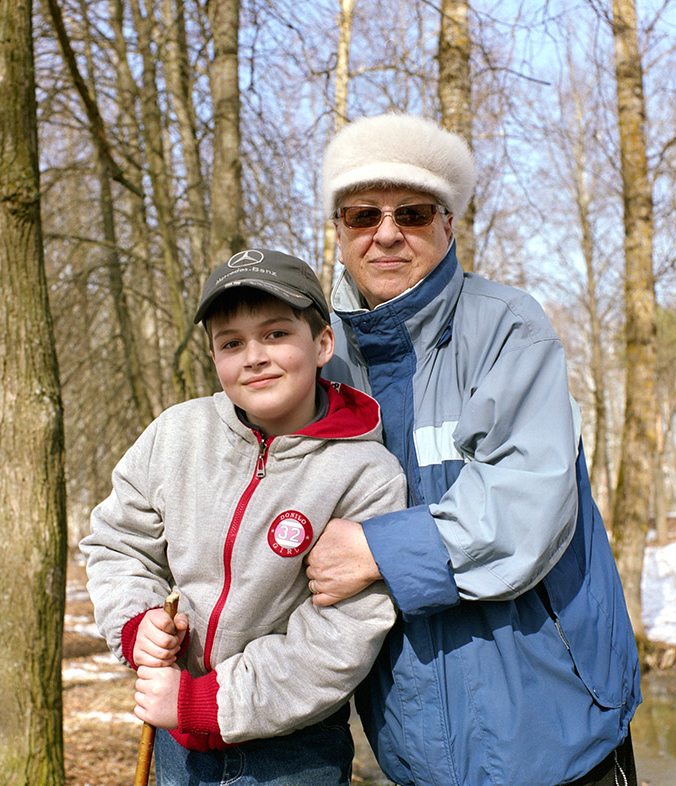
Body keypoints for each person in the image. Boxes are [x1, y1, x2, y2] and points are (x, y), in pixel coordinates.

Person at [304, 113, 642, 786]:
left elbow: (526, 508)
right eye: (363, 215)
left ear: (449, 224)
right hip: (411, 746)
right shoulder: (317, 360)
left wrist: (376, 551)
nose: (388, 233)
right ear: (339, 234)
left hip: (553, 732)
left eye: (414, 212)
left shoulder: (507, 326)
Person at [80, 248, 407, 786]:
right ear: (214, 358)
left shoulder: (366, 474)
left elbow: (340, 638)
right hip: (175, 738)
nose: (254, 357)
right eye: (231, 343)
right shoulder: (177, 435)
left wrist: (210, 704)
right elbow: (118, 542)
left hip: (293, 748)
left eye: (276, 334)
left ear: (323, 343)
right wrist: (136, 624)